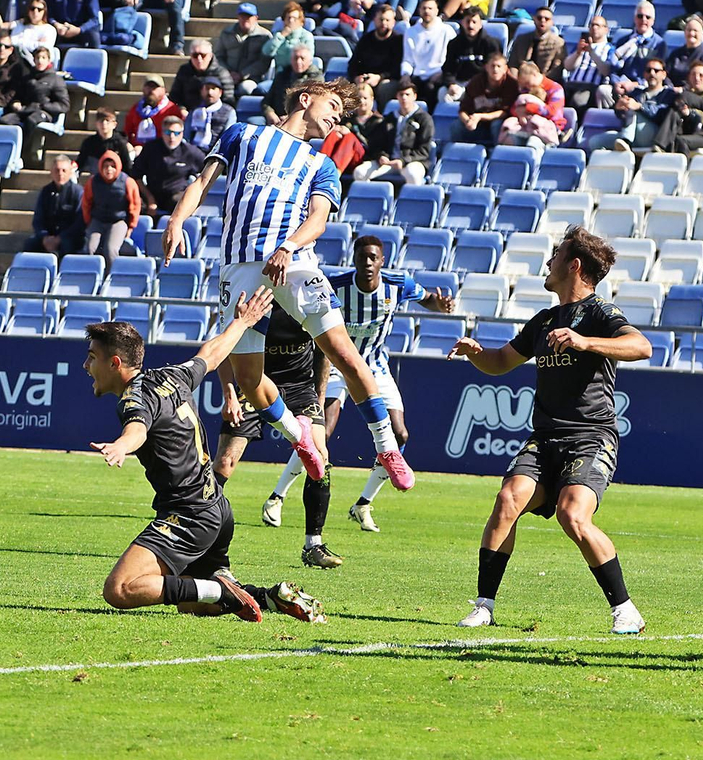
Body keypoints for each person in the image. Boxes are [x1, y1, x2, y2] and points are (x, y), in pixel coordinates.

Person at [163, 80, 418, 492]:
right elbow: (202, 182)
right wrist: (177, 220)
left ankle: (387, 448)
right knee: (249, 379)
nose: (337, 117)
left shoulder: (321, 165)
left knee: (345, 353)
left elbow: (318, 219)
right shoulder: (243, 135)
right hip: (240, 266)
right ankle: (300, 438)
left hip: (294, 261)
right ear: (305, 99)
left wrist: (288, 245)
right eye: (333, 105)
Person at [449, 226, 652, 632]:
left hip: (591, 437)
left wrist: (585, 342)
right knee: (508, 499)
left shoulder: (600, 314)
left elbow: (641, 347)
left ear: (573, 265)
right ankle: (484, 606)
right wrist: (477, 355)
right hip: (544, 440)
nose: (548, 260)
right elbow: (502, 361)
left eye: (556, 254)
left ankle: (625, 610)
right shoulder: (543, 321)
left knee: (572, 515)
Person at [88, 295, 326, 624]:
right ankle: (269, 597)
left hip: (188, 516)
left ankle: (222, 590)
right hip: (217, 508)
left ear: (114, 363)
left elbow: (137, 430)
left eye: (92, 358)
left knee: (120, 589)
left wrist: (121, 446)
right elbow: (211, 355)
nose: (87, 366)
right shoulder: (172, 376)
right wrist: (242, 323)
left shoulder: (133, 399)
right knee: (191, 602)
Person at [271, 236, 454, 536]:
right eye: (362, 258)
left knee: (400, 433)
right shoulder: (335, 285)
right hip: (335, 365)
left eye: (373, 258)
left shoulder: (398, 284)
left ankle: (363, 504)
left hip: (375, 367)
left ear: (382, 260)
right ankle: (277, 496)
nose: (368, 263)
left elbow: (428, 300)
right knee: (322, 432)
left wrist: (441, 304)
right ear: (354, 259)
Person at [217, 309, 340, 569]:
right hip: (254, 386)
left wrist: (317, 401)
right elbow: (226, 344)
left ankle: (313, 545)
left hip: (299, 389)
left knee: (320, 458)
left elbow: (324, 352)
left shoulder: (306, 299)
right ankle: (190, 530)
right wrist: (229, 392)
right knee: (224, 463)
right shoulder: (255, 299)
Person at [354, 77, 433, 184]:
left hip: (413, 162)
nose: (404, 98)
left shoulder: (424, 119)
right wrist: (381, 156)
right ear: (397, 97)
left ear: (415, 96)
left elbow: (424, 150)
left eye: (407, 94)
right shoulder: (389, 118)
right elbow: (379, 144)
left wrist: (403, 160)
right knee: (360, 172)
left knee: (412, 174)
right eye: (401, 95)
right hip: (389, 161)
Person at [131, 115, 205, 218]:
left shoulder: (190, 152)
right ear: (162, 132)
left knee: (180, 203)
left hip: (176, 195)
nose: (172, 137)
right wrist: (150, 198)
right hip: (152, 193)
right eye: (168, 132)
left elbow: (207, 171)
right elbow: (136, 176)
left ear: (182, 134)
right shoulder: (150, 148)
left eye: (176, 133)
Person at [81, 149, 140, 267]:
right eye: (106, 166)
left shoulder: (128, 182)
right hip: (98, 220)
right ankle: (92, 275)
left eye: (112, 166)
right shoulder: (93, 181)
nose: (109, 169)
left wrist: (131, 226)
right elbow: (86, 203)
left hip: (118, 221)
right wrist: (89, 222)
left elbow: (135, 205)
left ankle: (111, 276)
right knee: (89, 248)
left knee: (110, 249)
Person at [654, 60, 703, 153]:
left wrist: (692, 112)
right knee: (674, 112)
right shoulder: (688, 94)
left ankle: (683, 166)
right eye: (693, 75)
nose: (697, 78)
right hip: (690, 132)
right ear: (689, 77)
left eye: (701, 75)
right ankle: (660, 146)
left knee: (680, 141)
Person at [26, 153, 85, 253]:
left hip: (69, 236)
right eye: (57, 170)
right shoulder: (45, 191)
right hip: (48, 236)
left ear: (70, 172)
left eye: (64, 171)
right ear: (51, 172)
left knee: (67, 246)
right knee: (29, 245)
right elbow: (38, 220)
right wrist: (44, 237)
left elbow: (79, 223)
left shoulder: (78, 192)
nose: (60, 174)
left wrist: (60, 238)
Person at [457, 53, 518, 146]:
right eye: (492, 66)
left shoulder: (511, 84)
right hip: (477, 123)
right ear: (486, 67)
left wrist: (481, 116)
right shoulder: (476, 82)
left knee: (496, 125)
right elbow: (463, 109)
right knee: (456, 126)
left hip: (497, 121)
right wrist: (467, 121)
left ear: (505, 68)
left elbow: (504, 112)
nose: (495, 69)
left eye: (499, 66)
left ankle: (496, 153)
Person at [214, 1, 269, 94]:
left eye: (248, 17)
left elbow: (264, 62)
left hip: (251, 77)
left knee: (246, 88)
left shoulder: (264, 36)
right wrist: (227, 73)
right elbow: (218, 56)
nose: (245, 19)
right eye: (242, 16)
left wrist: (242, 75)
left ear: (256, 18)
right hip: (227, 74)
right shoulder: (227, 33)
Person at [262, 44, 322, 127]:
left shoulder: (316, 80)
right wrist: (270, 113)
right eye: (295, 58)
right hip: (275, 120)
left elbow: (313, 107)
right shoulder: (282, 75)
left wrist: (290, 117)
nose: (298, 62)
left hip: (300, 122)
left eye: (302, 58)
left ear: (310, 61)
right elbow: (267, 100)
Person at [508, 5, 566, 79]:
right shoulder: (521, 39)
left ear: (552, 22)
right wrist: (517, 81)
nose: (542, 21)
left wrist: (539, 81)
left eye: (546, 19)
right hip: (520, 82)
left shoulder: (559, 43)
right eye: (539, 18)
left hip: (546, 83)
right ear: (534, 19)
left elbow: (556, 70)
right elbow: (513, 64)